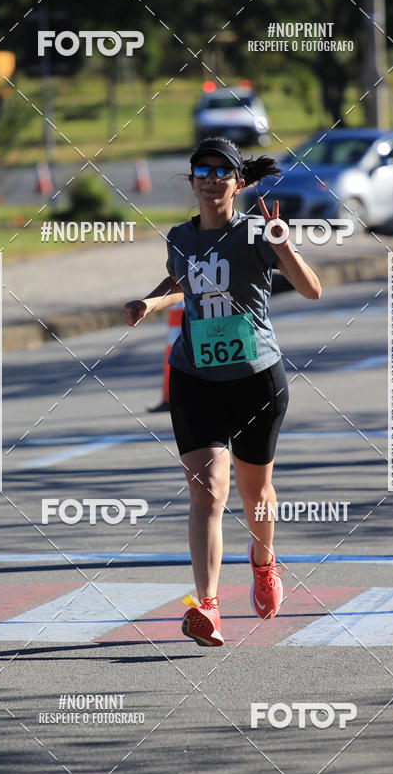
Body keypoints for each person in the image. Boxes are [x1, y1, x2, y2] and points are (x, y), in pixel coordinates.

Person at [123, 136, 321, 646]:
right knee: (207, 491)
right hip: (195, 378)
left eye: (221, 172)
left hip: (256, 379)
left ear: (238, 182)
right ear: (191, 181)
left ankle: (263, 562)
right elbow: (179, 277)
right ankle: (206, 606)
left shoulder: (256, 233)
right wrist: (148, 301)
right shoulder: (178, 237)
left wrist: (282, 244)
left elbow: (311, 289)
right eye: (201, 171)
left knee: (255, 493)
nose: (211, 179)